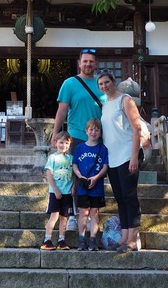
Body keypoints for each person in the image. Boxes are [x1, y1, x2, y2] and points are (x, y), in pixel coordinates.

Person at [97, 70, 142, 253]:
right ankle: (124, 237)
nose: (104, 86)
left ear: (113, 82)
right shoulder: (106, 104)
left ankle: (132, 239)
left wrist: (134, 156)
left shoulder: (125, 100)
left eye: (107, 82)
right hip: (112, 157)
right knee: (120, 199)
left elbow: (136, 128)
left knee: (130, 197)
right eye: (100, 84)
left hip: (126, 155)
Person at [52, 49, 104, 148]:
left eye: (91, 61)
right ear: (79, 63)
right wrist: (55, 133)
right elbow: (62, 110)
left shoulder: (102, 83)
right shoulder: (69, 83)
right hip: (77, 135)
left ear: (96, 64)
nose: (88, 64)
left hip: (99, 135)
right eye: (85, 61)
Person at [72, 118, 109, 251]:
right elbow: (75, 164)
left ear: (100, 132)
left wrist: (97, 177)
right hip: (82, 186)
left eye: (97, 130)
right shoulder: (80, 147)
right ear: (86, 131)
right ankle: (82, 239)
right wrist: (79, 176)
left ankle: (93, 239)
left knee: (94, 213)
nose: (94, 132)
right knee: (83, 213)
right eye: (91, 129)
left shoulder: (103, 148)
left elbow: (105, 166)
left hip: (97, 186)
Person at [40, 131, 75, 251]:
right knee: (54, 216)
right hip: (56, 192)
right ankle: (47, 239)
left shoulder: (71, 159)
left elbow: (74, 175)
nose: (63, 145)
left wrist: (73, 187)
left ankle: (61, 239)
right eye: (61, 142)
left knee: (64, 217)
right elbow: (49, 175)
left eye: (66, 143)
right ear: (56, 143)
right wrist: (55, 190)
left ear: (69, 144)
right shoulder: (53, 158)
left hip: (67, 192)